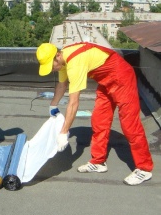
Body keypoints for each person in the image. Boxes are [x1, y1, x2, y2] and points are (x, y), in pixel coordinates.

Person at [36, 42, 154, 186]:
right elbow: (62, 85)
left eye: (51, 66)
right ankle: (98, 162)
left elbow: (73, 103)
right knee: (99, 120)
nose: (52, 70)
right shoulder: (62, 61)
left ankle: (144, 168)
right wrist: (53, 105)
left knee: (130, 125)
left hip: (122, 78)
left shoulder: (75, 62)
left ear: (58, 56)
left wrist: (63, 132)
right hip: (106, 82)